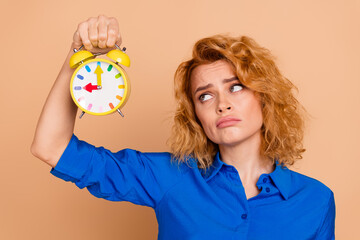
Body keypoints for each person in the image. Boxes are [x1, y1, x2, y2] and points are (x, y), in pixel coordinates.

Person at [31, 15, 336, 239]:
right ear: (196, 115)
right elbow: (51, 146)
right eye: (205, 95)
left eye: (236, 87)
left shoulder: (316, 200)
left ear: (264, 97)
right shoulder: (169, 177)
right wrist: (78, 56)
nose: (222, 104)